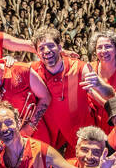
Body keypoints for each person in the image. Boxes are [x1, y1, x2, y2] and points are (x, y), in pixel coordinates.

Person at [0, 38, 51, 147]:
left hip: (37, 137)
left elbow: (45, 97)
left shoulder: (22, 70)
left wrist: (29, 127)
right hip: (8, 144)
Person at [30, 27, 97, 158]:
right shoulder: (32, 70)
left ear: (60, 47)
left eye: (50, 45)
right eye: (41, 48)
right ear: (37, 53)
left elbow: (97, 90)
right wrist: (8, 59)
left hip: (79, 131)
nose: (46, 50)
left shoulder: (79, 67)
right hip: (51, 134)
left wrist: (98, 85)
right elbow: (7, 69)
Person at [82, 30, 116, 133]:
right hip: (89, 127)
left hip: (114, 127)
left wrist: (92, 92)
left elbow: (115, 107)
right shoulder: (89, 67)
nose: (103, 51)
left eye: (108, 46)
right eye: (99, 47)